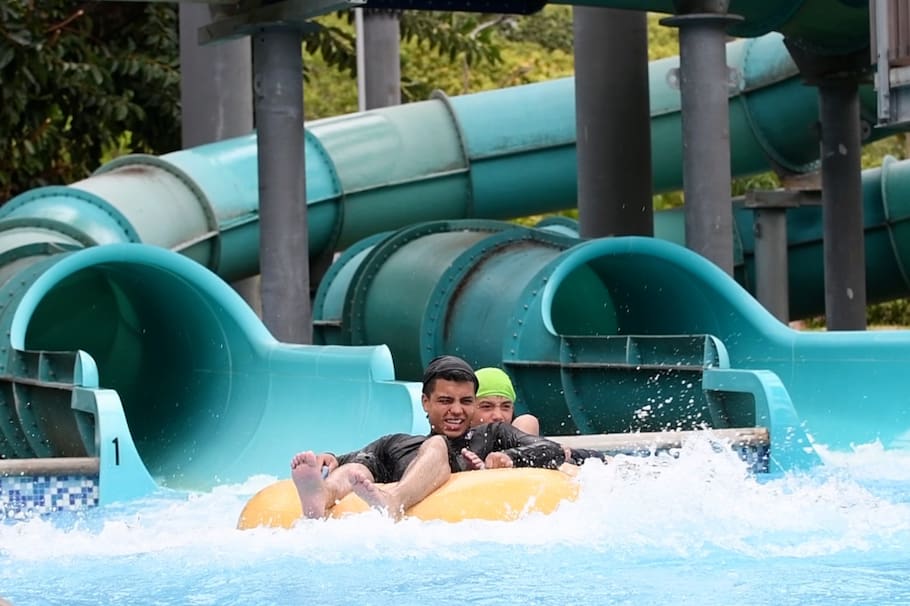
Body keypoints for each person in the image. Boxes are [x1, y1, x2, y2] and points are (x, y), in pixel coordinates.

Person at [290, 355, 566, 520]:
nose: (457, 410)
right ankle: (321, 497)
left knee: (437, 444)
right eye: (446, 400)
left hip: (460, 491)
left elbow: (549, 449)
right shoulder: (397, 443)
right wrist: (332, 459)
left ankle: (395, 501)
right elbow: (359, 458)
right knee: (357, 467)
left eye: (466, 401)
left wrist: (508, 456)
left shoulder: (493, 435)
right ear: (425, 402)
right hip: (403, 470)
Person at [470, 366, 608, 467]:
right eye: (486, 407)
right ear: (469, 408)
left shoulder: (520, 434)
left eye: (506, 407)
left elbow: (570, 453)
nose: (498, 416)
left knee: (527, 422)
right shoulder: (459, 441)